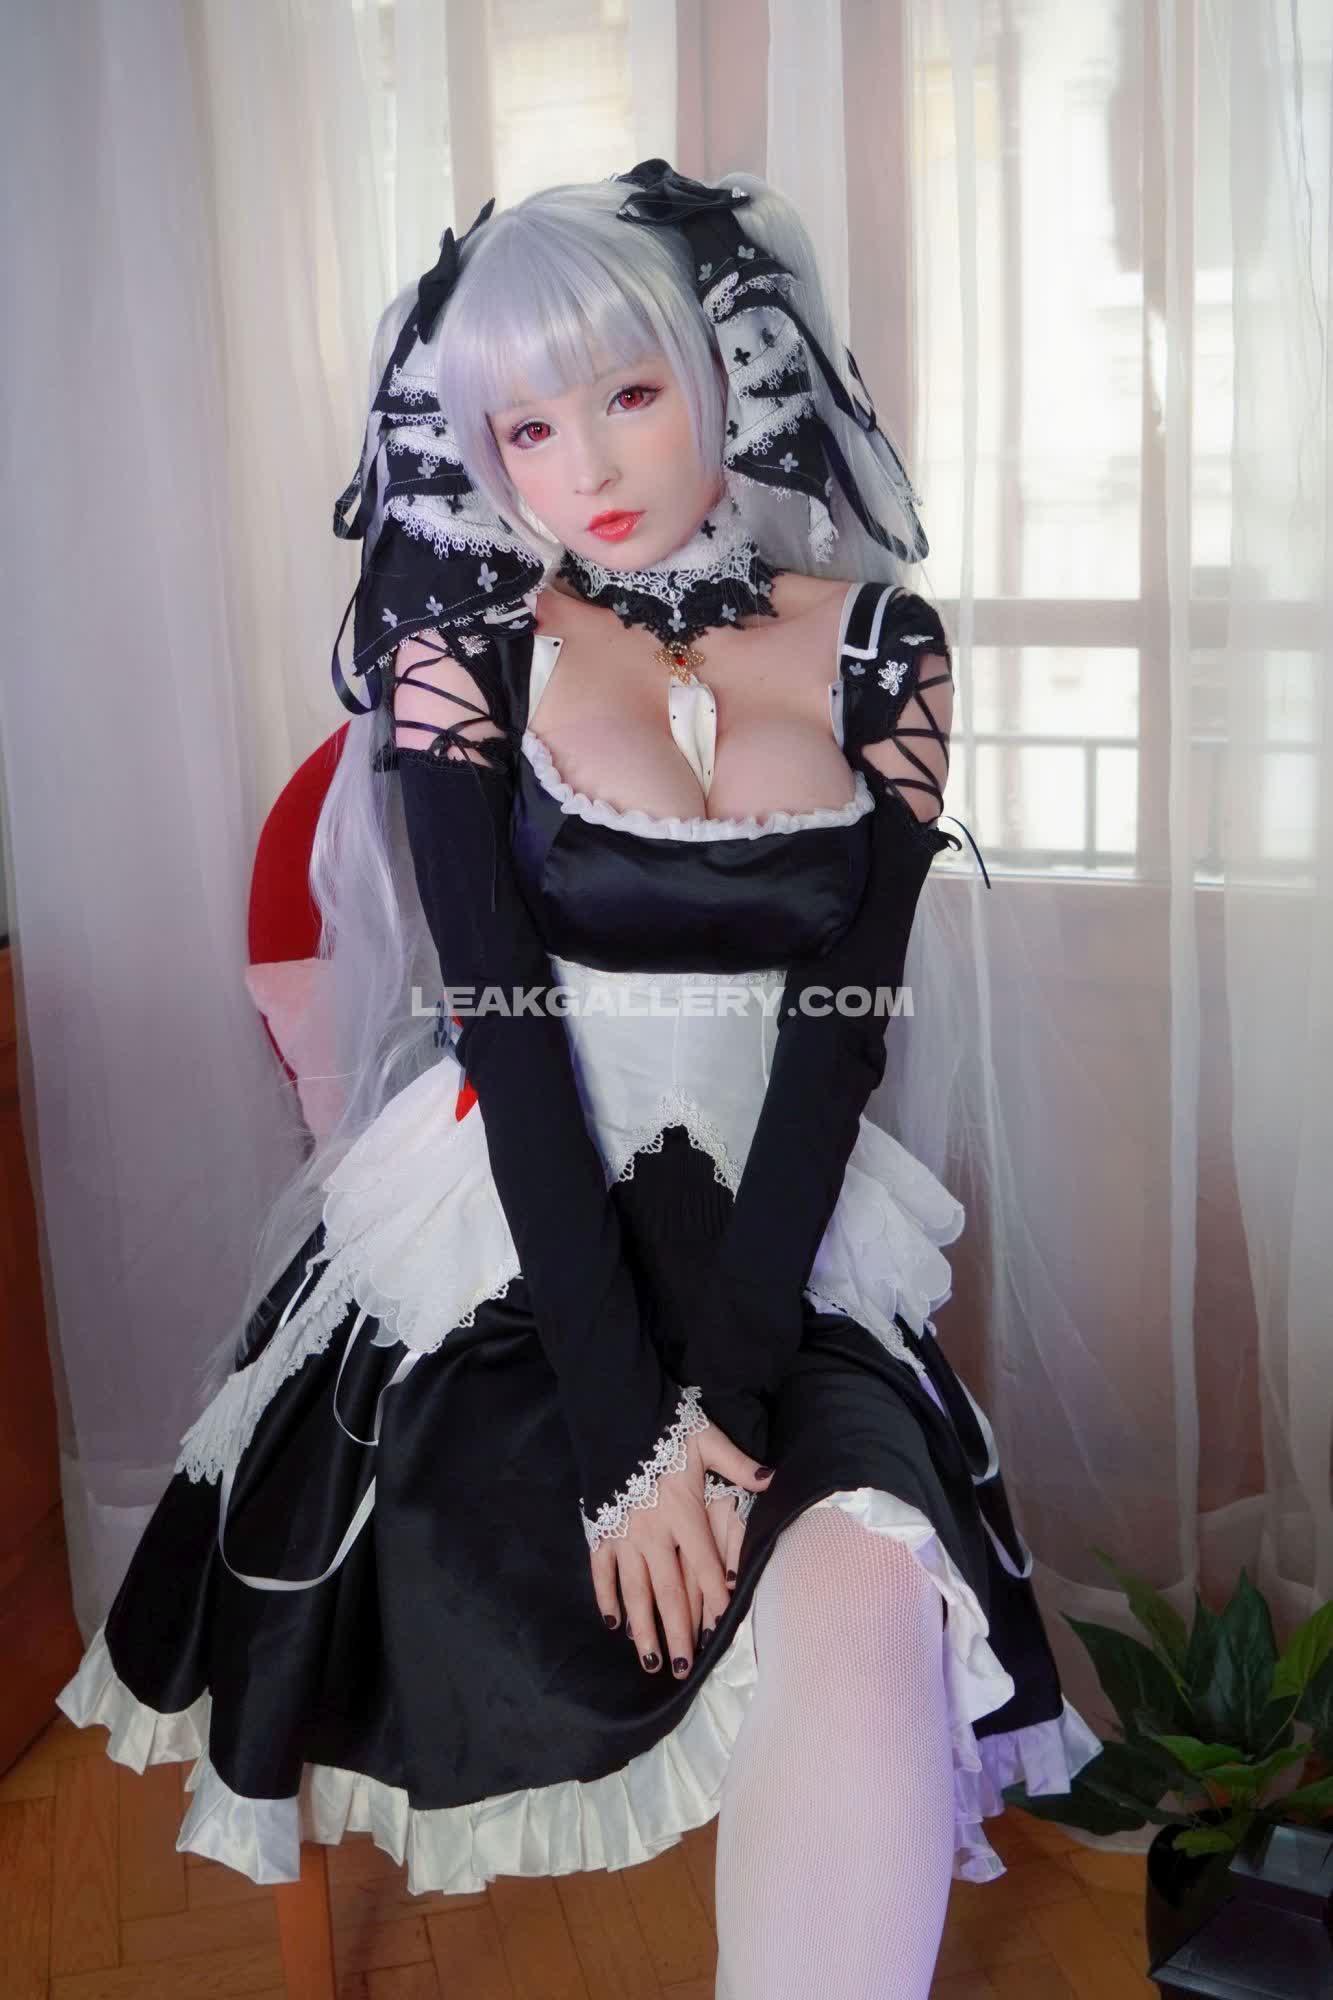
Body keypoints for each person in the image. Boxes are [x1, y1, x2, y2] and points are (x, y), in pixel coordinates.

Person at [57, 162, 1101, 1998]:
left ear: (724, 374)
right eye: (525, 429)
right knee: (566, 1534)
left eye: (627, 393)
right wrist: (631, 1438)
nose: (587, 467)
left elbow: (840, 1031)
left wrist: (732, 1395)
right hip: (513, 1230)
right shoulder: (462, 654)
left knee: (870, 1583)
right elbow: (503, 1035)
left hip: (782, 1235)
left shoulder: (883, 649)